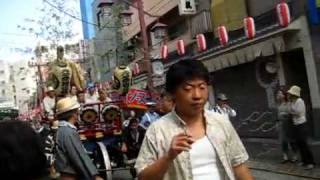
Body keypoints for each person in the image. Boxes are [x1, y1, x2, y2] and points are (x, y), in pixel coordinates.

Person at [135, 59, 253, 180]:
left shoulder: (221, 122)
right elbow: (143, 177)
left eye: (202, 87)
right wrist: (169, 156)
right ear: (172, 93)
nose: (197, 95)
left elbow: (239, 165)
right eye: (188, 89)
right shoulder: (157, 130)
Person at [54, 97, 103, 180]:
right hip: (70, 175)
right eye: (77, 110)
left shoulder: (63, 129)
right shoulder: (67, 132)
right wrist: (94, 176)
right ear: (73, 114)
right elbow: (78, 157)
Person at [287, 85, 315, 170]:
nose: (289, 95)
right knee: (299, 143)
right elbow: (289, 110)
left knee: (304, 143)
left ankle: (311, 162)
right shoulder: (292, 102)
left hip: (302, 124)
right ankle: (304, 161)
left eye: (290, 93)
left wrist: (292, 112)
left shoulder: (299, 101)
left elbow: (299, 112)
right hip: (296, 125)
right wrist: (292, 110)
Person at [276, 89, 297, 163]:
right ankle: (285, 156)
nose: (278, 95)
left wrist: (284, 114)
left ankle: (295, 155)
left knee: (291, 140)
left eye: (280, 93)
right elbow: (277, 116)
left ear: (283, 95)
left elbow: (291, 113)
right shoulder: (278, 104)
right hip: (281, 124)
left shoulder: (288, 103)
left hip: (288, 124)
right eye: (278, 94)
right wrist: (277, 123)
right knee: (283, 141)